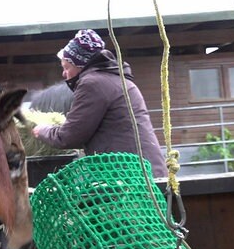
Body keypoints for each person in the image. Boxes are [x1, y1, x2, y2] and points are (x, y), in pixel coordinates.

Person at [32, 29, 167, 178]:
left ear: (79, 64)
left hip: (129, 178)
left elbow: (69, 136)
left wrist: (42, 130)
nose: (64, 74)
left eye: (66, 68)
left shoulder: (92, 84)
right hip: (147, 171)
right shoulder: (119, 80)